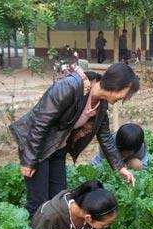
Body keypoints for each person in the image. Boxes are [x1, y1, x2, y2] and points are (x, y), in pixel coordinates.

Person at [9, 63, 139, 218]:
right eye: (127, 93)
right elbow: (40, 123)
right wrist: (29, 159)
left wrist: (120, 167)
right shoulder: (70, 86)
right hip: (37, 148)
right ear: (117, 84)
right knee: (39, 205)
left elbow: (105, 136)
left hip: (58, 149)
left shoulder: (101, 103)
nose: (125, 98)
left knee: (58, 200)